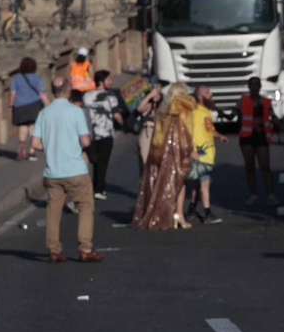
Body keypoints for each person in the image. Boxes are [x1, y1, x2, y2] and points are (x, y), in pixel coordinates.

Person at [32, 76, 103, 262]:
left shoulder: (44, 113)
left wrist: (52, 146)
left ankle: (53, 250)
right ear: (69, 90)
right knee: (85, 207)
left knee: (53, 211)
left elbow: (35, 143)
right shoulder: (75, 111)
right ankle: (85, 249)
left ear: (53, 92)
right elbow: (85, 141)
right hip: (75, 169)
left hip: (52, 172)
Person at [133, 84, 197, 230]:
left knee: (163, 181)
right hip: (178, 151)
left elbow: (159, 135)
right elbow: (185, 133)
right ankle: (177, 214)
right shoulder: (184, 109)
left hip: (162, 150)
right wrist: (189, 150)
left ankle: (161, 212)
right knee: (179, 182)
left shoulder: (164, 110)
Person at [185, 84, 226, 224]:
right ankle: (207, 213)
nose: (211, 94)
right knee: (205, 182)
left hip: (208, 154)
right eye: (208, 92)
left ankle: (191, 211)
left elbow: (210, 129)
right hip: (199, 153)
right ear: (200, 97)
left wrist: (219, 136)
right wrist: (191, 151)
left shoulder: (206, 111)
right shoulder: (194, 112)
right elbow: (187, 131)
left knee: (199, 185)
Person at [82, 70, 124, 199]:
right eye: (108, 80)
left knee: (95, 161)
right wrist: (123, 124)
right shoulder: (110, 96)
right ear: (101, 82)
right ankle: (99, 189)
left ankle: (97, 186)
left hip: (91, 133)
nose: (111, 82)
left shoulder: (87, 95)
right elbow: (116, 114)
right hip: (106, 133)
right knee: (103, 162)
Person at [237, 76, 278, 205]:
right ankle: (253, 194)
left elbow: (272, 115)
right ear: (249, 87)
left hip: (261, 136)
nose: (254, 87)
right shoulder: (243, 100)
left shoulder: (266, 101)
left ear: (260, 87)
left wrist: (277, 123)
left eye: (257, 85)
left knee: (265, 166)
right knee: (250, 167)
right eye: (252, 85)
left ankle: (271, 194)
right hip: (247, 136)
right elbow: (235, 114)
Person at [9, 57, 47, 161]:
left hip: (20, 105)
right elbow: (41, 93)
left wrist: (11, 104)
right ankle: (31, 152)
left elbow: (13, 93)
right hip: (34, 104)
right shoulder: (37, 77)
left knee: (23, 126)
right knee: (33, 127)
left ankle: (21, 145)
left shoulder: (16, 78)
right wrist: (48, 104)